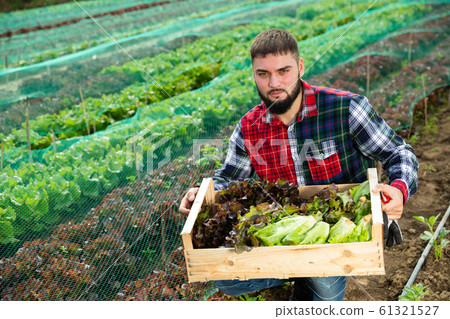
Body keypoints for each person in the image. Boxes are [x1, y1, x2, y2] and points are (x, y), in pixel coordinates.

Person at [179, 29, 418, 301]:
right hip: (283, 230)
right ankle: (293, 271)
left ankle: (309, 278)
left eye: (284, 71)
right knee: (225, 275)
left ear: (300, 66)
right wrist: (201, 192)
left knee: (323, 292)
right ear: (254, 75)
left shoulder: (346, 108)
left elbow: (399, 152)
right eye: (263, 74)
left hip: (339, 231)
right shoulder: (249, 127)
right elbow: (230, 177)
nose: (274, 82)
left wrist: (399, 189)